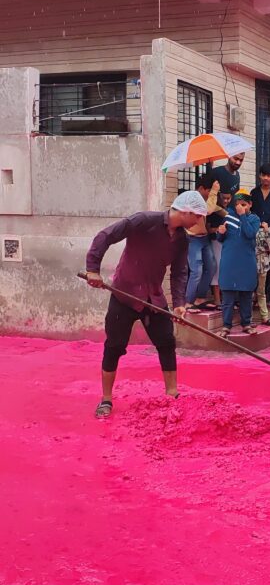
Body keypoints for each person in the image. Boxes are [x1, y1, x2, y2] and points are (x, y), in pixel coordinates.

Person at [85, 190, 209, 417]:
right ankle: (106, 399)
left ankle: (172, 394)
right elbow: (105, 236)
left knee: (166, 342)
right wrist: (93, 269)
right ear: (187, 212)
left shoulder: (182, 239)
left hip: (153, 298)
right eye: (198, 216)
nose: (199, 221)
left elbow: (180, 271)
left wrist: (180, 302)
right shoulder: (144, 221)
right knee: (114, 346)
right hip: (125, 294)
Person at [217, 193, 259, 336]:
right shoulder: (228, 217)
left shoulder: (254, 219)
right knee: (227, 295)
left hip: (246, 262)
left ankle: (246, 323)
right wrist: (220, 233)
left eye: (244, 204)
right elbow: (221, 239)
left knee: (246, 295)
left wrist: (242, 216)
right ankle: (226, 325)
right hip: (230, 261)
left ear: (250, 205)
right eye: (238, 204)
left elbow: (250, 233)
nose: (240, 207)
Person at [185, 175, 226, 311]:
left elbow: (219, 210)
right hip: (193, 238)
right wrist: (214, 191)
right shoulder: (192, 198)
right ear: (201, 188)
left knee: (212, 267)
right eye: (209, 190)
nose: (211, 194)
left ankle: (200, 297)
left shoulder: (205, 200)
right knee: (196, 270)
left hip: (204, 238)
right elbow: (207, 209)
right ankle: (188, 302)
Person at [209, 188, 233, 308]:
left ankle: (226, 300)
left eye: (228, 198)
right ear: (219, 196)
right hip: (216, 242)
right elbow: (207, 229)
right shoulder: (213, 211)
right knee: (217, 269)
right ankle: (217, 300)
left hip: (228, 244)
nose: (226, 200)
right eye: (223, 198)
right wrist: (217, 229)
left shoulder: (231, 211)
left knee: (227, 270)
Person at [254, 222, 270, 326]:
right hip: (250, 264)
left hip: (262, 264)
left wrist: (267, 231)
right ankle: (247, 319)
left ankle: (265, 317)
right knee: (248, 292)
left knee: (261, 292)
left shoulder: (264, 232)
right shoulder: (246, 231)